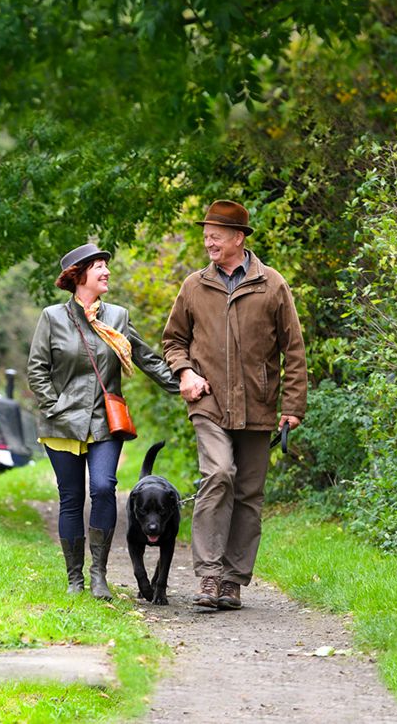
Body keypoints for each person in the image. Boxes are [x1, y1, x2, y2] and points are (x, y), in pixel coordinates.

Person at [162, 200, 307, 610]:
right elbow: (173, 340)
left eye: (216, 235)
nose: (208, 241)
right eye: (206, 234)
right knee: (219, 473)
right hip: (208, 402)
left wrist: (293, 405)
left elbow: (293, 350)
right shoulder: (194, 285)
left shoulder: (272, 285)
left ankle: (232, 581)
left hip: (259, 405)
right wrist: (185, 373)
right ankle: (208, 576)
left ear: (238, 238)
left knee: (248, 494)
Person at [29, 244, 180, 599]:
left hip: (105, 422)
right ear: (78, 275)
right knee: (70, 497)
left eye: (106, 266)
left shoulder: (118, 317)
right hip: (62, 424)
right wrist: (55, 405)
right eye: (99, 266)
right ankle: (75, 580)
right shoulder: (52, 318)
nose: (107, 272)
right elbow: (37, 369)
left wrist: (185, 385)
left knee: (102, 488)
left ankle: (98, 575)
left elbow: (145, 357)